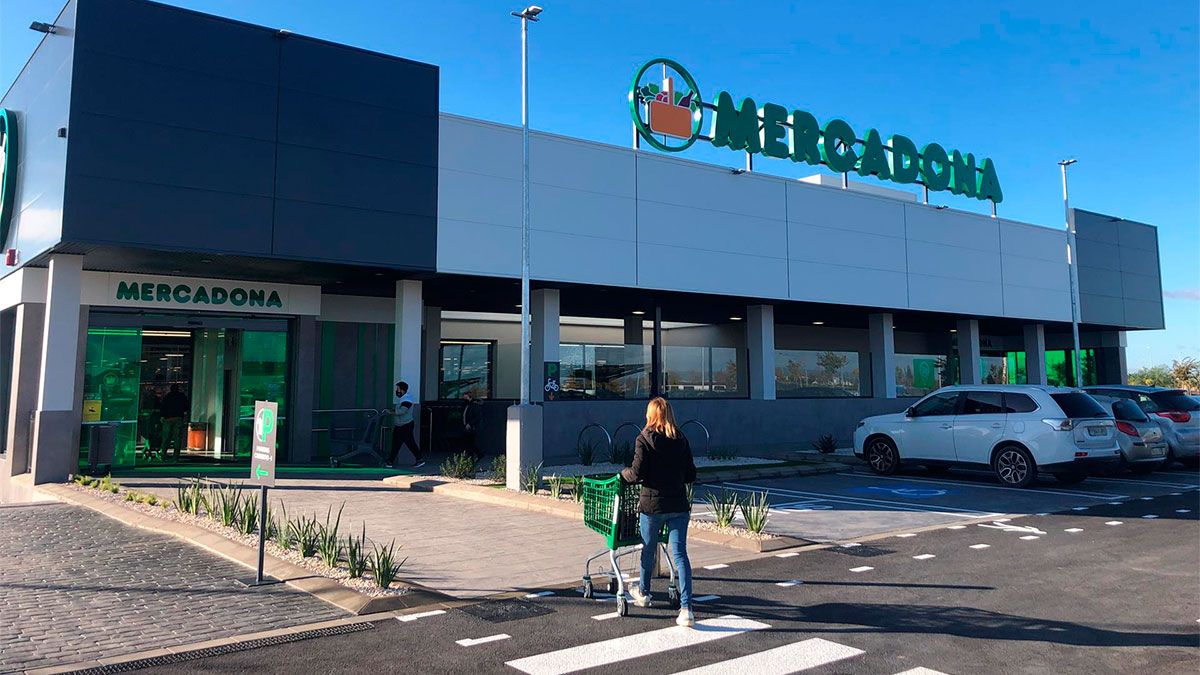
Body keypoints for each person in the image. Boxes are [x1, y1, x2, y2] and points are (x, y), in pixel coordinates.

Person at [620, 396, 697, 627]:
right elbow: (691, 474)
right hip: (678, 505)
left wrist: (621, 475)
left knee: (648, 549)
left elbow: (635, 473)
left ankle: (643, 593)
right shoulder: (681, 439)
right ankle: (686, 609)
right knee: (680, 555)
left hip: (652, 506)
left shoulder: (643, 439)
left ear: (651, 415)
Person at [387, 381, 425, 469]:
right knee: (399, 443)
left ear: (402, 390)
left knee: (406, 443)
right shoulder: (403, 399)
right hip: (401, 425)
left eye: (398, 389)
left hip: (405, 425)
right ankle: (390, 460)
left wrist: (391, 412)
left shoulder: (407, 400)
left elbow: (402, 411)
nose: (396, 391)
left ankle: (390, 461)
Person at [159, 384, 190, 461]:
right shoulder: (182, 396)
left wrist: (162, 416)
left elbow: (163, 407)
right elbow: (186, 406)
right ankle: (175, 457)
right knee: (177, 438)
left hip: (168, 419)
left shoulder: (167, 396)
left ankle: (163, 455)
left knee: (166, 437)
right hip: (178, 418)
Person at [461, 392, 483, 459]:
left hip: (471, 427)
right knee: (468, 443)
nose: (464, 399)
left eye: (466, 397)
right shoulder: (466, 405)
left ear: (469, 397)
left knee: (470, 443)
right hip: (466, 425)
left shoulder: (474, 405)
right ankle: (475, 455)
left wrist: (470, 423)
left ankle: (475, 455)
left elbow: (477, 417)